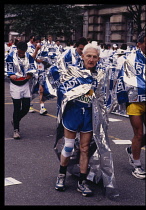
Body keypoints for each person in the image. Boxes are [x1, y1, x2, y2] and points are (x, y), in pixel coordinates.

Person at [55, 43, 102, 196]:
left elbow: (103, 97)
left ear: (98, 59)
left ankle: (82, 181)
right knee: (68, 146)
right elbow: (62, 89)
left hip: (88, 115)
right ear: (82, 56)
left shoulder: (100, 75)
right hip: (73, 112)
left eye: (94, 57)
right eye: (88, 56)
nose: (91, 59)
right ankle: (61, 175)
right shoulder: (73, 72)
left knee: (85, 148)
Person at [116, 31, 146, 179]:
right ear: (139, 44)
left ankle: (131, 149)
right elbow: (127, 80)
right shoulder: (130, 59)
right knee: (139, 134)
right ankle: (137, 165)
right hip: (135, 101)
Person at [6, 41, 36, 139]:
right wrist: (11, 75)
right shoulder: (11, 56)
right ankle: (16, 130)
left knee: (26, 107)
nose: (21, 54)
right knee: (17, 107)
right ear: (17, 49)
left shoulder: (29, 57)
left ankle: (15, 120)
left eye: (23, 52)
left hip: (25, 84)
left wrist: (30, 74)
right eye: (20, 52)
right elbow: (8, 69)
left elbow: (33, 67)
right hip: (15, 85)